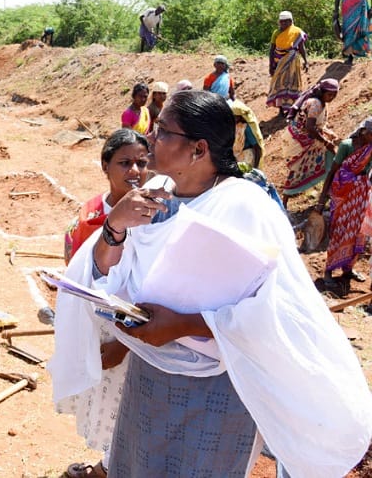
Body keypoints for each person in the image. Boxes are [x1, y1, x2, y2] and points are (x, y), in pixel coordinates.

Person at [48, 90, 372, 477]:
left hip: (218, 390)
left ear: (198, 149)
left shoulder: (246, 207)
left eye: (163, 132)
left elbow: (274, 314)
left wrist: (183, 325)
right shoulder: (153, 199)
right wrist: (115, 225)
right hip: (148, 379)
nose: (151, 138)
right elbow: (104, 277)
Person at [62, 129, 151, 478]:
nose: (134, 171)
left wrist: (125, 345)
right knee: (106, 404)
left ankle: (108, 470)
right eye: (124, 162)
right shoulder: (89, 217)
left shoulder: (156, 215)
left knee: (134, 407)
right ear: (105, 166)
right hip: (97, 333)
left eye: (141, 163)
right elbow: (73, 273)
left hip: (138, 337)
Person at [316, 118, 372, 288]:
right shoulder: (347, 146)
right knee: (338, 232)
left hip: (359, 197)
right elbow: (333, 172)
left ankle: (348, 269)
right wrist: (322, 199)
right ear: (364, 132)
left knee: (357, 233)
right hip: (341, 195)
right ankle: (328, 272)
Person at [281, 78, 341, 208]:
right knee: (298, 168)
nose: (332, 98)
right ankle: (285, 200)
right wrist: (326, 142)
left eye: (334, 95)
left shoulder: (321, 102)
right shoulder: (316, 104)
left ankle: (328, 191)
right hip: (301, 139)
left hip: (306, 135)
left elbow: (316, 125)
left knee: (330, 158)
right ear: (322, 92)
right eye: (329, 94)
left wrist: (327, 132)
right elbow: (309, 127)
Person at [266, 11, 308, 117]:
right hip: (279, 61)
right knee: (279, 84)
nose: (283, 24)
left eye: (286, 22)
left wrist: (306, 62)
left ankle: (292, 108)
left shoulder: (297, 31)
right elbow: (272, 49)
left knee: (293, 83)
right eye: (281, 22)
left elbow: (302, 48)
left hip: (293, 61)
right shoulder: (276, 33)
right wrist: (271, 65)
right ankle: (280, 109)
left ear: (291, 21)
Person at [229, 99, 265, 168]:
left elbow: (257, 148)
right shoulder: (234, 127)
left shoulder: (246, 128)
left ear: (239, 116)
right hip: (238, 158)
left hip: (248, 157)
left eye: (233, 116)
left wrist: (255, 167)